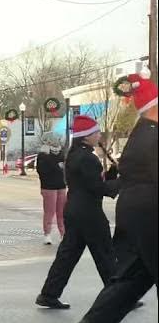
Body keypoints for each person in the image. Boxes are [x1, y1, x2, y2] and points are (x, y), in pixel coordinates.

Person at [80, 72, 158, 323]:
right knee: (140, 270)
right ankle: (95, 321)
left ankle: (96, 322)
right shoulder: (152, 135)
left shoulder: (141, 133)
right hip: (150, 211)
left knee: (138, 273)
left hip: (133, 210)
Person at [34, 115, 118, 310]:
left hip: (74, 211)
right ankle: (118, 296)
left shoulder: (74, 155)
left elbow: (89, 182)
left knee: (67, 256)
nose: (99, 136)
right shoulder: (88, 158)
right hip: (89, 214)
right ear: (86, 136)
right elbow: (97, 188)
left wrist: (112, 174)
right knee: (106, 254)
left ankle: (48, 294)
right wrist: (123, 182)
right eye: (96, 132)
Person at [35, 132, 68, 245]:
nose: (57, 140)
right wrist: (57, 167)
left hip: (61, 185)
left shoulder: (61, 153)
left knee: (62, 211)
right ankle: (47, 234)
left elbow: (64, 167)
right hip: (48, 186)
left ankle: (63, 233)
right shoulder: (43, 155)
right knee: (49, 211)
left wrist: (60, 169)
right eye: (55, 139)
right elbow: (42, 170)